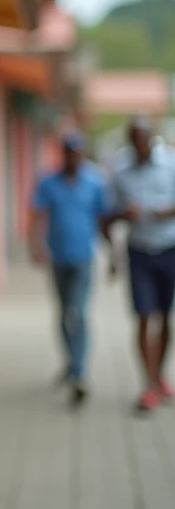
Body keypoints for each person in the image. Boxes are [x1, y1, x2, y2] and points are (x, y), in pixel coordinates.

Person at [29, 131, 109, 406]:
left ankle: (79, 371)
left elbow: (103, 220)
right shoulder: (49, 182)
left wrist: (113, 256)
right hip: (59, 258)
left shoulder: (94, 183)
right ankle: (70, 361)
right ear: (63, 154)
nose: (74, 157)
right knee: (64, 313)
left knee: (78, 311)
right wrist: (36, 246)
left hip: (84, 258)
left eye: (78, 152)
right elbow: (38, 216)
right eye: (69, 152)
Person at [107, 116, 175, 413]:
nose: (140, 143)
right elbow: (108, 214)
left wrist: (168, 211)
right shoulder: (120, 170)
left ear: (151, 138)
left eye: (144, 137)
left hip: (168, 248)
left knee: (165, 317)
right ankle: (147, 384)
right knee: (143, 316)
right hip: (139, 251)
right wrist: (125, 213)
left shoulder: (170, 164)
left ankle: (159, 376)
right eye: (135, 138)